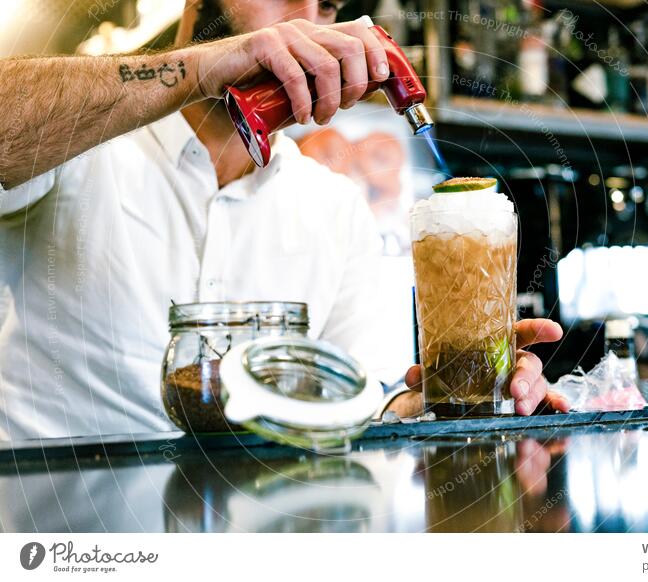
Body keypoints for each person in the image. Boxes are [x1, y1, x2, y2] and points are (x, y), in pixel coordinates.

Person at [0, 0, 566, 440]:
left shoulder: (337, 208)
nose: (307, 22)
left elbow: (368, 399)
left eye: (326, 6)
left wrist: (443, 400)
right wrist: (202, 68)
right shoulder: (77, 146)